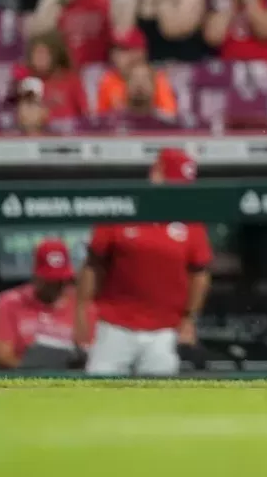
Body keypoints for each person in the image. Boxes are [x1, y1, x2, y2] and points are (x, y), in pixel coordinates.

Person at [74, 149, 212, 376]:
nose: (177, 192)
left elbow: (200, 272)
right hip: (114, 325)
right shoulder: (122, 208)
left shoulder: (191, 220)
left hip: (164, 330)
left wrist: (189, 319)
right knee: (98, 394)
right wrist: (81, 313)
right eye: (172, 183)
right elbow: (93, 265)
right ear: (156, 174)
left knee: (158, 402)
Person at [0, 238, 93, 370]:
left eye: (60, 280)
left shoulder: (82, 306)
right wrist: (36, 370)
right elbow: (1, 357)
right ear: (36, 276)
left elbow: (91, 352)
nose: (56, 286)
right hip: (24, 383)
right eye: (50, 281)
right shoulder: (9, 303)